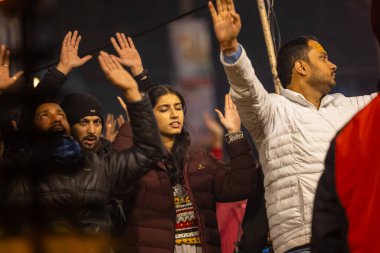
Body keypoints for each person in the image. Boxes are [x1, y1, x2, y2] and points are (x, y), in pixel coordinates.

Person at [208, 0, 377, 252]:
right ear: (301, 67)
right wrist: (231, 49)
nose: (333, 65)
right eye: (323, 57)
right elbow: (246, 90)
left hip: (350, 237)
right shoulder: (272, 111)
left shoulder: (348, 107)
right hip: (301, 242)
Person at [0, 50, 163, 236]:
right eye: (45, 115)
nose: (56, 118)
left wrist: (133, 92)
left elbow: (149, 151)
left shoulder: (97, 167)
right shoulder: (19, 170)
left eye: (61, 114)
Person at [115, 88, 257, 253]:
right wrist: (133, 124)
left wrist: (235, 133)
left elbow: (241, 187)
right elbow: (117, 180)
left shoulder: (198, 157)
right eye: (164, 109)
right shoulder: (139, 160)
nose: (175, 114)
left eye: (178, 107)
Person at [311, 95, 380, 253]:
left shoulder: (349, 135)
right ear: (301, 68)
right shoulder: (349, 136)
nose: (334, 67)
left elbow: (327, 233)